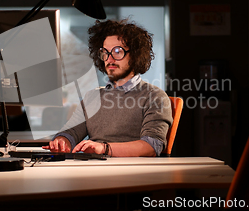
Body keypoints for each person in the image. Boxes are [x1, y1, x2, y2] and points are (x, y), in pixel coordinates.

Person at [42, 19, 172, 157]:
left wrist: (104, 148)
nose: (109, 59)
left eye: (117, 51)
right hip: (92, 171)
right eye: (105, 52)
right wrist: (62, 141)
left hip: (134, 173)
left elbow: (151, 146)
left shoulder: (155, 96)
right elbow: (71, 132)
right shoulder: (92, 97)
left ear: (135, 55)